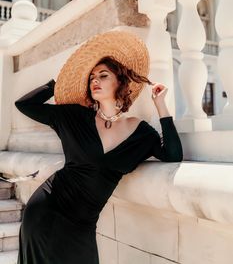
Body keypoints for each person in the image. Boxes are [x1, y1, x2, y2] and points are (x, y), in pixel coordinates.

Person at [14, 30, 183, 264]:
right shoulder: (74, 117)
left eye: (103, 75)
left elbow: (173, 155)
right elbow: (24, 105)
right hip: (46, 212)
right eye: (92, 77)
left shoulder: (140, 132)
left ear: (120, 82)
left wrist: (161, 106)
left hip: (82, 227)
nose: (95, 80)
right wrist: (57, 82)